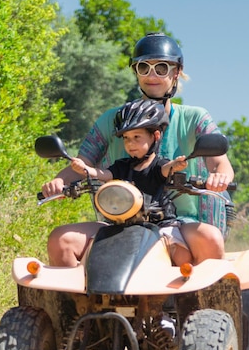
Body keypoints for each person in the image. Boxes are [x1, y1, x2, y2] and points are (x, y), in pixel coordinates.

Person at [42, 32, 234, 267]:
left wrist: (220, 176)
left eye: (161, 68)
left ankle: (202, 301)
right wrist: (59, 182)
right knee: (61, 240)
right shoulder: (112, 119)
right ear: (135, 72)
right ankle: (77, 303)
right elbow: (83, 164)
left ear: (176, 73)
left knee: (209, 238)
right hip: (120, 220)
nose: (152, 75)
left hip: (183, 221)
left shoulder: (195, 118)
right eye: (144, 67)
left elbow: (219, 162)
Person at [70, 98, 195, 265]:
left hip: (160, 224)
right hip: (122, 224)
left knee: (180, 254)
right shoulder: (121, 166)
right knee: (95, 252)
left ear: (155, 136)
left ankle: (181, 287)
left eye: (137, 137)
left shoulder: (158, 165)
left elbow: (167, 169)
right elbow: (105, 174)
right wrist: (86, 169)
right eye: (126, 138)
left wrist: (176, 164)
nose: (130, 143)